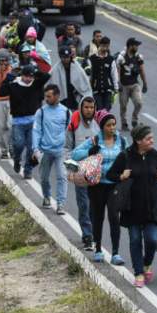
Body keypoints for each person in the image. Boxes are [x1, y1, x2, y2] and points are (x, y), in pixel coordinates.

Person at [104, 125, 157, 287]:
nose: (152, 141)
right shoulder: (125, 156)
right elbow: (110, 174)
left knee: (152, 240)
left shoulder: (155, 155)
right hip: (131, 207)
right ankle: (139, 272)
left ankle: (147, 263)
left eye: (152, 138)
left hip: (151, 206)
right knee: (134, 240)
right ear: (139, 141)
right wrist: (121, 175)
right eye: (148, 139)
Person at [72, 111, 127, 264]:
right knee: (98, 217)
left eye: (114, 125)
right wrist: (89, 151)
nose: (112, 128)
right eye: (109, 125)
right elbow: (75, 154)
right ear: (102, 127)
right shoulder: (94, 140)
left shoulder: (122, 141)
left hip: (115, 185)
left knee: (114, 217)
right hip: (96, 184)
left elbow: (130, 156)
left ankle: (115, 253)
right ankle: (98, 249)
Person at [0, 63, 51, 179]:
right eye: (26, 76)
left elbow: (47, 76)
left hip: (34, 122)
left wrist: (36, 72)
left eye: (30, 77)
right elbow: (1, 92)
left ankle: (28, 170)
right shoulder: (14, 85)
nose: (28, 79)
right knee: (18, 145)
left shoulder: (36, 84)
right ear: (21, 75)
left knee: (31, 148)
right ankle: (17, 160)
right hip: (18, 121)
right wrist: (8, 77)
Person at [65, 97, 101, 249]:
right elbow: (67, 148)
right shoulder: (73, 124)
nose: (89, 110)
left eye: (91, 107)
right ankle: (87, 235)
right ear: (81, 108)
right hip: (80, 172)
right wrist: (71, 169)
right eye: (86, 107)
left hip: (97, 171)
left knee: (96, 205)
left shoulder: (100, 125)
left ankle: (95, 232)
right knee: (84, 205)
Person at [32, 84, 70, 215]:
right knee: (43, 178)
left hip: (60, 151)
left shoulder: (66, 112)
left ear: (57, 96)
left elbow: (70, 132)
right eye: (45, 96)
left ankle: (60, 203)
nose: (46, 99)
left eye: (49, 96)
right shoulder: (41, 112)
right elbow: (36, 131)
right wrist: (35, 149)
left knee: (62, 177)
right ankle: (47, 197)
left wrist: (70, 149)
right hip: (45, 151)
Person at [113, 37, 147, 130]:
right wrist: (118, 83)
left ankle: (134, 119)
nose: (137, 47)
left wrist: (145, 83)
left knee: (139, 103)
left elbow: (142, 70)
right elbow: (118, 71)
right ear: (130, 46)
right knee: (123, 105)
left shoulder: (138, 57)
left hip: (135, 84)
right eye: (136, 45)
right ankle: (124, 124)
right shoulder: (121, 57)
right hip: (124, 85)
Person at [49, 47, 91, 112]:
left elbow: (84, 81)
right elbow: (50, 81)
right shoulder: (56, 68)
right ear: (60, 57)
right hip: (62, 99)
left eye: (67, 57)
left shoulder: (76, 67)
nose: (66, 59)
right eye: (64, 57)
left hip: (74, 98)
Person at [87, 36, 115, 111]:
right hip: (96, 89)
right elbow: (88, 75)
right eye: (104, 46)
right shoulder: (92, 59)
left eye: (107, 46)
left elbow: (114, 74)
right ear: (100, 45)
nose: (105, 48)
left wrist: (116, 88)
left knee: (107, 109)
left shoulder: (111, 59)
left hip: (108, 89)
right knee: (98, 109)